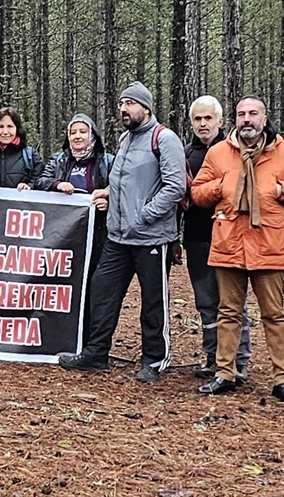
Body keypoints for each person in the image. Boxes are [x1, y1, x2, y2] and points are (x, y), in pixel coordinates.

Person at [57, 83, 186, 383]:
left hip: (152, 238)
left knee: (153, 301)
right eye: (121, 104)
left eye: (130, 103)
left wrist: (144, 215)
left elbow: (175, 187)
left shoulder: (164, 139)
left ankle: (154, 359)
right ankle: (96, 353)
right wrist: (107, 194)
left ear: (146, 107)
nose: (123, 109)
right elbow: (123, 183)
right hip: (118, 236)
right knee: (102, 291)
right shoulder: (126, 138)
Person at [192, 95, 284, 404]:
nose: (247, 119)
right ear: (234, 119)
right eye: (241, 114)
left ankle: (282, 379)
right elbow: (197, 192)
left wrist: (281, 190)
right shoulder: (219, 153)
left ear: (264, 117)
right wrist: (219, 188)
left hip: (268, 244)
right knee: (228, 312)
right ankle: (225, 373)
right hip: (229, 242)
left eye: (253, 114)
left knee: (274, 315)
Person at [182, 96, 252, 381]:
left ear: (221, 121)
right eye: (198, 119)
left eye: (208, 118)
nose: (203, 124)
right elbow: (180, 197)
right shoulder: (186, 154)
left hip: (233, 237)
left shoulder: (237, 150)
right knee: (206, 301)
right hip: (197, 237)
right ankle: (213, 357)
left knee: (233, 302)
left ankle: (240, 360)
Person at [34, 113, 112, 345]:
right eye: (72, 132)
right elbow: (40, 181)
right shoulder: (58, 160)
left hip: (98, 232)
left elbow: (119, 187)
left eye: (82, 132)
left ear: (93, 136)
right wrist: (57, 184)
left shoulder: (107, 161)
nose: (77, 136)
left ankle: (89, 339)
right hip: (63, 234)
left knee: (94, 285)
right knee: (61, 283)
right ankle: (58, 334)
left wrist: (108, 201)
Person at [0, 107, 43, 190]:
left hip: (20, 203)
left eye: (10, 126)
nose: (5, 132)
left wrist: (29, 186)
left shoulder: (30, 156)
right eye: (0, 127)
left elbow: (41, 180)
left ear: (17, 129)